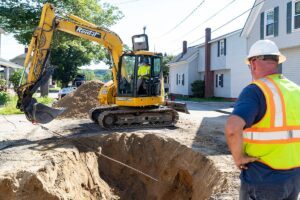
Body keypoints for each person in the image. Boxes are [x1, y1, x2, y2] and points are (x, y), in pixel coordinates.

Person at [225, 39, 300, 200]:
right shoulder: (296, 90)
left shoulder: (256, 90)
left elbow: (232, 129)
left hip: (263, 179)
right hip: (294, 178)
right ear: (277, 61)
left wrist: (238, 158)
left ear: (253, 63)